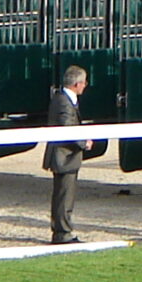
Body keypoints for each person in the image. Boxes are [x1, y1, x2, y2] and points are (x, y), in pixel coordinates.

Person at [44, 65, 89, 245]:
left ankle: (62, 230)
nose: (85, 86)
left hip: (64, 156)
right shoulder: (63, 101)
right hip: (64, 156)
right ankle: (62, 233)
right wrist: (84, 143)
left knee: (63, 195)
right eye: (84, 83)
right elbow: (66, 126)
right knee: (64, 196)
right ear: (77, 84)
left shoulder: (62, 99)